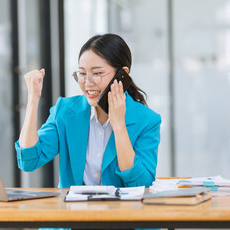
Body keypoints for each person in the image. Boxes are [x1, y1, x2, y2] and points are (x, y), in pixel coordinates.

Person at [15, 33, 161, 188]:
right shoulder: (65, 111)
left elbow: (142, 184)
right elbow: (28, 161)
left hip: (121, 211)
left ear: (122, 74)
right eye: (82, 74)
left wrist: (119, 126)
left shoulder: (147, 120)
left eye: (97, 73)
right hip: (74, 211)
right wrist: (33, 98)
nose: (87, 83)